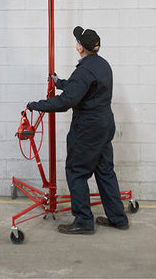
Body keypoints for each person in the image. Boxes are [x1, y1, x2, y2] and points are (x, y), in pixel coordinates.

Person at [27, 26, 129, 235]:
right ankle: (118, 218)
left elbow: (67, 101)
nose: (76, 43)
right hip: (104, 124)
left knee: (76, 171)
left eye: (78, 41)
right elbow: (84, 88)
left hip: (87, 129)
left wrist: (37, 105)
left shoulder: (84, 70)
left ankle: (83, 221)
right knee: (105, 171)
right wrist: (61, 83)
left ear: (80, 47)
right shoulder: (103, 65)